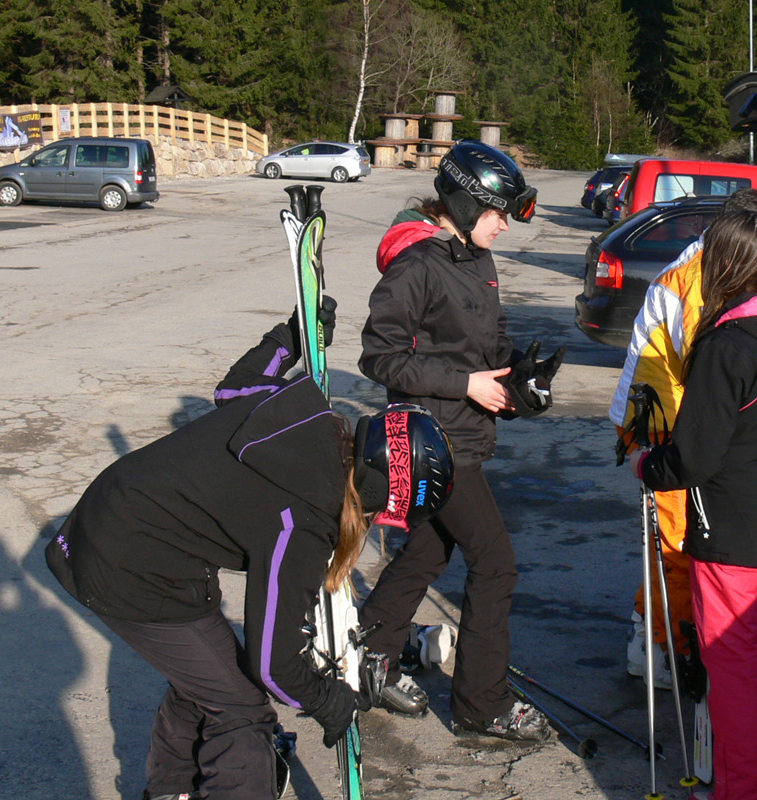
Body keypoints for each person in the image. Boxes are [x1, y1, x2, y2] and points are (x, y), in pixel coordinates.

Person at [45, 313, 455, 800]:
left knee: (212, 678)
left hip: (117, 520)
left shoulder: (308, 416)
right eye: (384, 515)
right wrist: (328, 701)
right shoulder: (308, 517)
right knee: (242, 709)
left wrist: (290, 337)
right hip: (128, 564)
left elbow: (235, 388)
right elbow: (273, 663)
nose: (374, 526)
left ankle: (172, 790)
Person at [356, 139, 558, 741]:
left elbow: (490, 345)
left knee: (426, 552)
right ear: (464, 204)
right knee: (496, 564)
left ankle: (371, 656)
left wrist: (521, 379)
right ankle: (481, 704)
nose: (503, 227)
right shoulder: (417, 265)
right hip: (427, 441)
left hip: (464, 433)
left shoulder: (477, 260)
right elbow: (379, 357)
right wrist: (465, 383)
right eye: (497, 214)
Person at [635, 208, 757, 800]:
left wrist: (649, 465)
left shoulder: (728, 345)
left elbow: (695, 456)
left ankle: (743, 790)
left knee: (738, 673)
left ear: (727, 264)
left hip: (733, 531)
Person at [609, 189, 757, 686]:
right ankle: (660, 647)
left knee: (677, 545)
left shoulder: (708, 268)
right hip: (663, 428)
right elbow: (715, 365)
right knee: (676, 547)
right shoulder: (696, 282)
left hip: (670, 420)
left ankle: (660, 636)